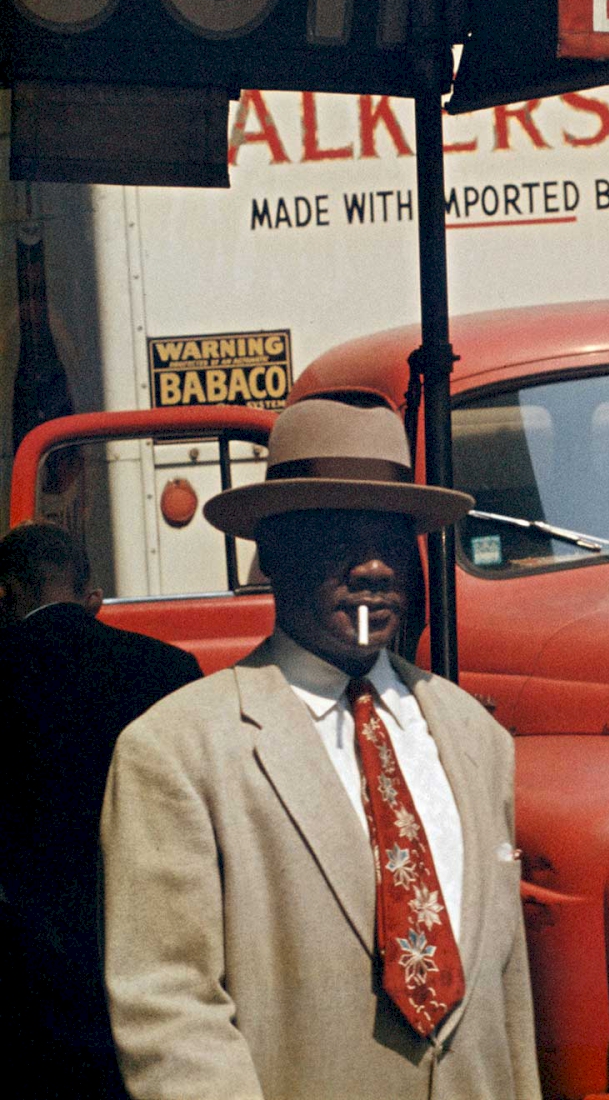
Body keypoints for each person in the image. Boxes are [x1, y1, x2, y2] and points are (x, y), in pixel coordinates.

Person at [101, 398, 542, 1100]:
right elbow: (170, 1014)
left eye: (392, 537)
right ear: (272, 551)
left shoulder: (474, 737)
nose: (373, 567)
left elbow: (508, 992)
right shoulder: (177, 752)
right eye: (338, 534)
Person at [0, 520, 202, 1100]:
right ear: (87, 589)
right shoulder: (168, 669)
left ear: (9, 592)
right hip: (146, 955)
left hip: (28, 968)